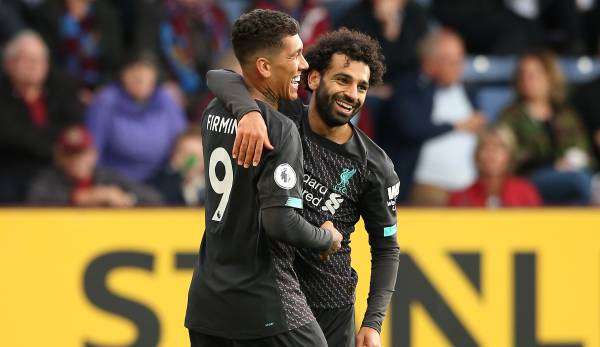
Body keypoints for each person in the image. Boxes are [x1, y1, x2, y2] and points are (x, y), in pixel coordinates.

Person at [207, 27, 400, 347]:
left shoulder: (374, 165)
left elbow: (387, 247)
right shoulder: (281, 118)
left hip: (330, 308)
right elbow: (219, 77)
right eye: (343, 80)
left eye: (362, 86)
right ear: (313, 79)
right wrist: (249, 112)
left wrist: (373, 322)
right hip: (270, 297)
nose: (353, 94)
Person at [185, 9, 343, 347]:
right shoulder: (280, 131)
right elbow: (281, 222)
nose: (303, 64)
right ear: (264, 67)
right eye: (295, 55)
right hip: (263, 298)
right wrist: (324, 238)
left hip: (208, 300)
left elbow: (220, 77)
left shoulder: (214, 111)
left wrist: (248, 110)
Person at [377, 28, 486, 205]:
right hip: (428, 187)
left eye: (460, 59)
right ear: (430, 62)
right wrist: (457, 126)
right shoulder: (409, 89)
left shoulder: (469, 90)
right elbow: (412, 128)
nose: (459, 67)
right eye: (451, 61)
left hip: (471, 187)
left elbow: (478, 126)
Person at [498, 50, 594, 205]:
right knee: (579, 182)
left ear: (549, 77)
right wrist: (552, 163)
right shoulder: (510, 117)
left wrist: (573, 160)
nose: (528, 80)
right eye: (523, 74)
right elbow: (509, 157)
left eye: (534, 74)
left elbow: (583, 149)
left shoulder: (565, 114)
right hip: (529, 177)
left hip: (571, 172)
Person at [0, 30, 83, 204]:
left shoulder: (62, 88)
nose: (34, 65)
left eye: (40, 60)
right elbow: (12, 134)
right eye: (27, 59)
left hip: (61, 166)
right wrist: (55, 147)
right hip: (12, 168)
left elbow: (73, 129)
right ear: (8, 64)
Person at [85, 51, 187, 183]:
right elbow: (91, 151)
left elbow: (183, 141)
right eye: (133, 70)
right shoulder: (105, 101)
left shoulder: (166, 99)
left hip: (161, 180)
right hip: (116, 182)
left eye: (147, 71)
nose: (140, 77)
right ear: (121, 75)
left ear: (155, 77)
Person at [27, 125, 162, 207]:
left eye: (82, 154)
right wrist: (76, 198)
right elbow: (33, 205)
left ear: (93, 155)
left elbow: (153, 198)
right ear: (60, 158)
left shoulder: (107, 177)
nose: (77, 160)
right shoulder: (49, 180)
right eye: (70, 154)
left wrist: (125, 198)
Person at [449, 127, 541, 207]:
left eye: (499, 147)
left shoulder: (526, 193)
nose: (491, 154)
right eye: (485, 147)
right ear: (476, 155)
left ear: (510, 155)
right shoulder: (460, 198)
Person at [150, 126, 206, 206]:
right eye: (185, 155)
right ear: (174, 156)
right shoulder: (158, 184)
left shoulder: (214, 189)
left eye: (198, 157)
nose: (191, 163)